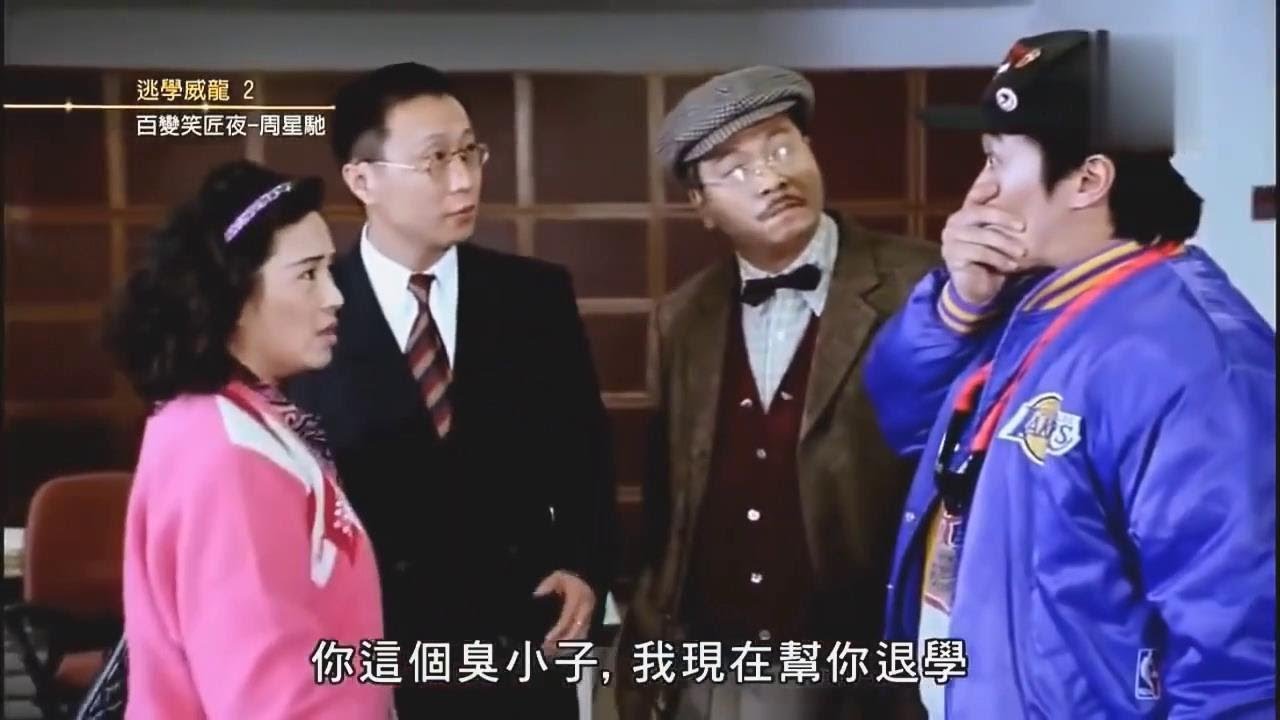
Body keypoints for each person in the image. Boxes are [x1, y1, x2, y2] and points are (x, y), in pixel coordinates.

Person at [865, 30, 1276, 718]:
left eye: (998, 160)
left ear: (1088, 180)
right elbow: (903, 421)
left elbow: (1242, 659)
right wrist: (958, 304)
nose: (980, 190)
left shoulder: (1197, 359)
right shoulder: (1034, 300)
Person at [283, 62, 618, 718]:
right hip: (374, 654)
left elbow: (587, 456)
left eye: (469, 153)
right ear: (362, 178)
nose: (463, 179)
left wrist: (586, 568)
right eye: (435, 160)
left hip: (518, 646)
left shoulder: (534, 297)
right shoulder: (310, 311)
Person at [615, 66, 940, 720]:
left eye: (782, 147)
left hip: (866, 668)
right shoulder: (681, 318)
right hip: (710, 668)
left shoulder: (923, 286)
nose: (769, 178)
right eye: (735, 169)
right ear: (700, 205)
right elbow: (667, 507)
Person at [106, 160, 392, 718]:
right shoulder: (224, 451)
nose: (334, 296)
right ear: (233, 292)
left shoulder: (242, 420)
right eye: (308, 274)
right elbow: (267, 697)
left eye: (330, 270)